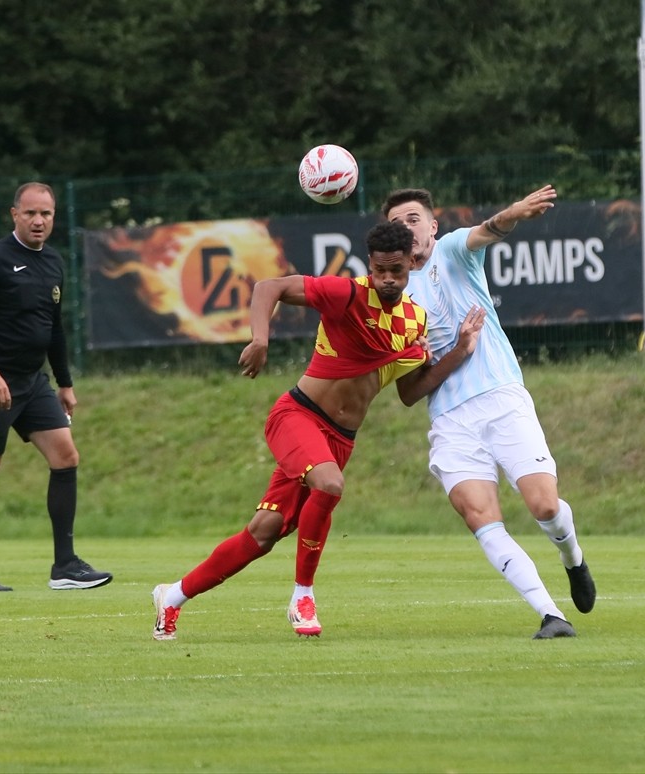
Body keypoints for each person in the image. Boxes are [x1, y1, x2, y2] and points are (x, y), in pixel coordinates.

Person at [152, 221, 485, 640]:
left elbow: (410, 393)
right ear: (369, 265)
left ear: (411, 267)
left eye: (396, 271)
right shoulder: (346, 294)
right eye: (380, 270)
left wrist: (460, 350)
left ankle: (172, 597)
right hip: (299, 416)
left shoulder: (414, 322)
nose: (387, 278)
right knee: (329, 484)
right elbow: (269, 287)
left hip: (339, 440)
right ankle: (303, 597)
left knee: (263, 532)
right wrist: (260, 339)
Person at [384, 185, 596, 640]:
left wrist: (514, 212)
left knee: (544, 506)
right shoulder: (394, 302)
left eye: (414, 219)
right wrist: (458, 351)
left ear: (432, 226)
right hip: (450, 421)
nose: (407, 228)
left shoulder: (452, 251)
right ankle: (551, 615)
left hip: (501, 398)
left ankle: (572, 557)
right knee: (480, 517)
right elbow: (408, 393)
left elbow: (488, 229)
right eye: (397, 223)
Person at [0, 182, 112, 592]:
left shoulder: (53, 261)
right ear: (15, 215)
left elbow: (53, 328)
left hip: (33, 381)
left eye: (46, 214)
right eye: (31, 213)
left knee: (66, 456)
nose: (39, 221)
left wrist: (65, 382)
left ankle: (65, 566)